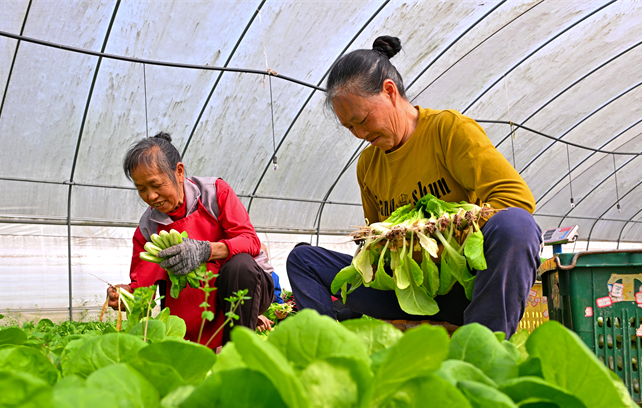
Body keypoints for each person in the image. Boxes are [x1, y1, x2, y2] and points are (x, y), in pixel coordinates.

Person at [287, 36, 542, 338]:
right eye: (350, 128)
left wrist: (441, 235)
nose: (359, 134)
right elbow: (375, 244)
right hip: (409, 292)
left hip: (463, 286)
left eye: (362, 120)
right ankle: (326, 349)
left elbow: (516, 198)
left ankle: (481, 343)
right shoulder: (368, 164)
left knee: (516, 225)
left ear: (390, 92)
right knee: (303, 260)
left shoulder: (449, 131)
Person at [107, 132, 274, 349]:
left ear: (179, 172)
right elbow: (143, 287)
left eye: (155, 185)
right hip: (193, 303)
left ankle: (237, 352)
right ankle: (194, 348)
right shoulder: (148, 227)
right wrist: (125, 295)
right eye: (142, 189)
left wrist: (205, 250)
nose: (151, 196)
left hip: (247, 287)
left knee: (240, 265)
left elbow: (250, 241)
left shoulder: (214, 193)